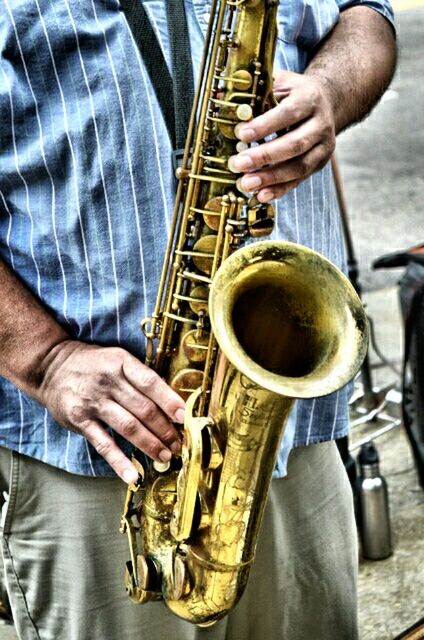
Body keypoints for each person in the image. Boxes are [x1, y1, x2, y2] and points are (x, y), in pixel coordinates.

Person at [0, 1, 396, 639]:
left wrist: (329, 90)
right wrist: (45, 358)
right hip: (101, 453)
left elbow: (367, 16)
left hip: (294, 425)